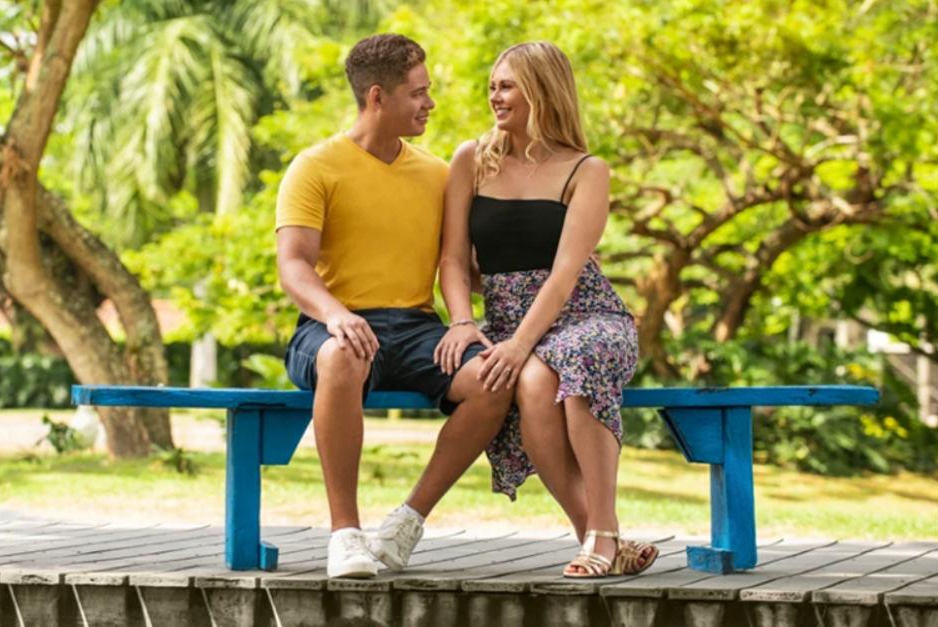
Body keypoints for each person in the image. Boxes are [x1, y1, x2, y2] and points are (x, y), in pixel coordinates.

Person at [276, 33, 513, 578]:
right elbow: (294, 265)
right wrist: (336, 314)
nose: (430, 103)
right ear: (377, 97)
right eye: (418, 93)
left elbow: (462, 264)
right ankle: (345, 535)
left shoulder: (437, 174)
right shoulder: (314, 167)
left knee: (492, 379)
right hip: (329, 323)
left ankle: (406, 522)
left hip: (416, 328)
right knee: (342, 355)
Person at [432, 41, 658, 577]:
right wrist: (464, 321)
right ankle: (600, 540)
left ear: (541, 90)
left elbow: (564, 275)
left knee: (572, 361)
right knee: (533, 383)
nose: (494, 95)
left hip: (585, 316)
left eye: (506, 85)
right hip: (510, 321)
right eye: (492, 85)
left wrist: (518, 343)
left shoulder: (586, 169)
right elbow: (452, 258)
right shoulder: (471, 159)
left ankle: (600, 535)